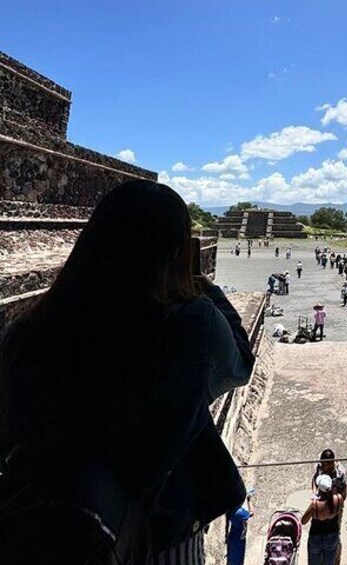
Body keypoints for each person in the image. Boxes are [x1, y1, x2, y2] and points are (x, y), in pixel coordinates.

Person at [0, 180, 255, 563]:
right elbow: (240, 365)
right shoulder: (188, 325)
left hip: (47, 523)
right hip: (157, 532)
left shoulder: (28, 331)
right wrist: (199, 283)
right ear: (176, 251)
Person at [302, 475, 344, 565]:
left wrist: (314, 497)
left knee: (314, 561)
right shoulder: (339, 499)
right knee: (330, 560)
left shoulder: (315, 505)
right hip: (332, 535)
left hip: (316, 537)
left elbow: (303, 521)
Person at [225, 495, 254, 565]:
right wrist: (249, 500)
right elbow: (252, 513)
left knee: (231, 558)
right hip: (239, 539)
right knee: (238, 559)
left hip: (233, 535)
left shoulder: (231, 510)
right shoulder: (239, 512)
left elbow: (227, 521)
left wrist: (226, 532)